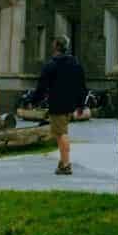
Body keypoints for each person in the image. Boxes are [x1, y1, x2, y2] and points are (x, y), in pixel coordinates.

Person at [33, 35, 89, 175]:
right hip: (70, 103)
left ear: (57, 46)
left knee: (61, 133)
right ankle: (63, 161)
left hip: (57, 103)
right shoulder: (75, 63)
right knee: (61, 132)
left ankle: (66, 164)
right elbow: (82, 86)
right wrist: (81, 105)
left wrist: (33, 101)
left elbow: (42, 86)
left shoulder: (51, 65)